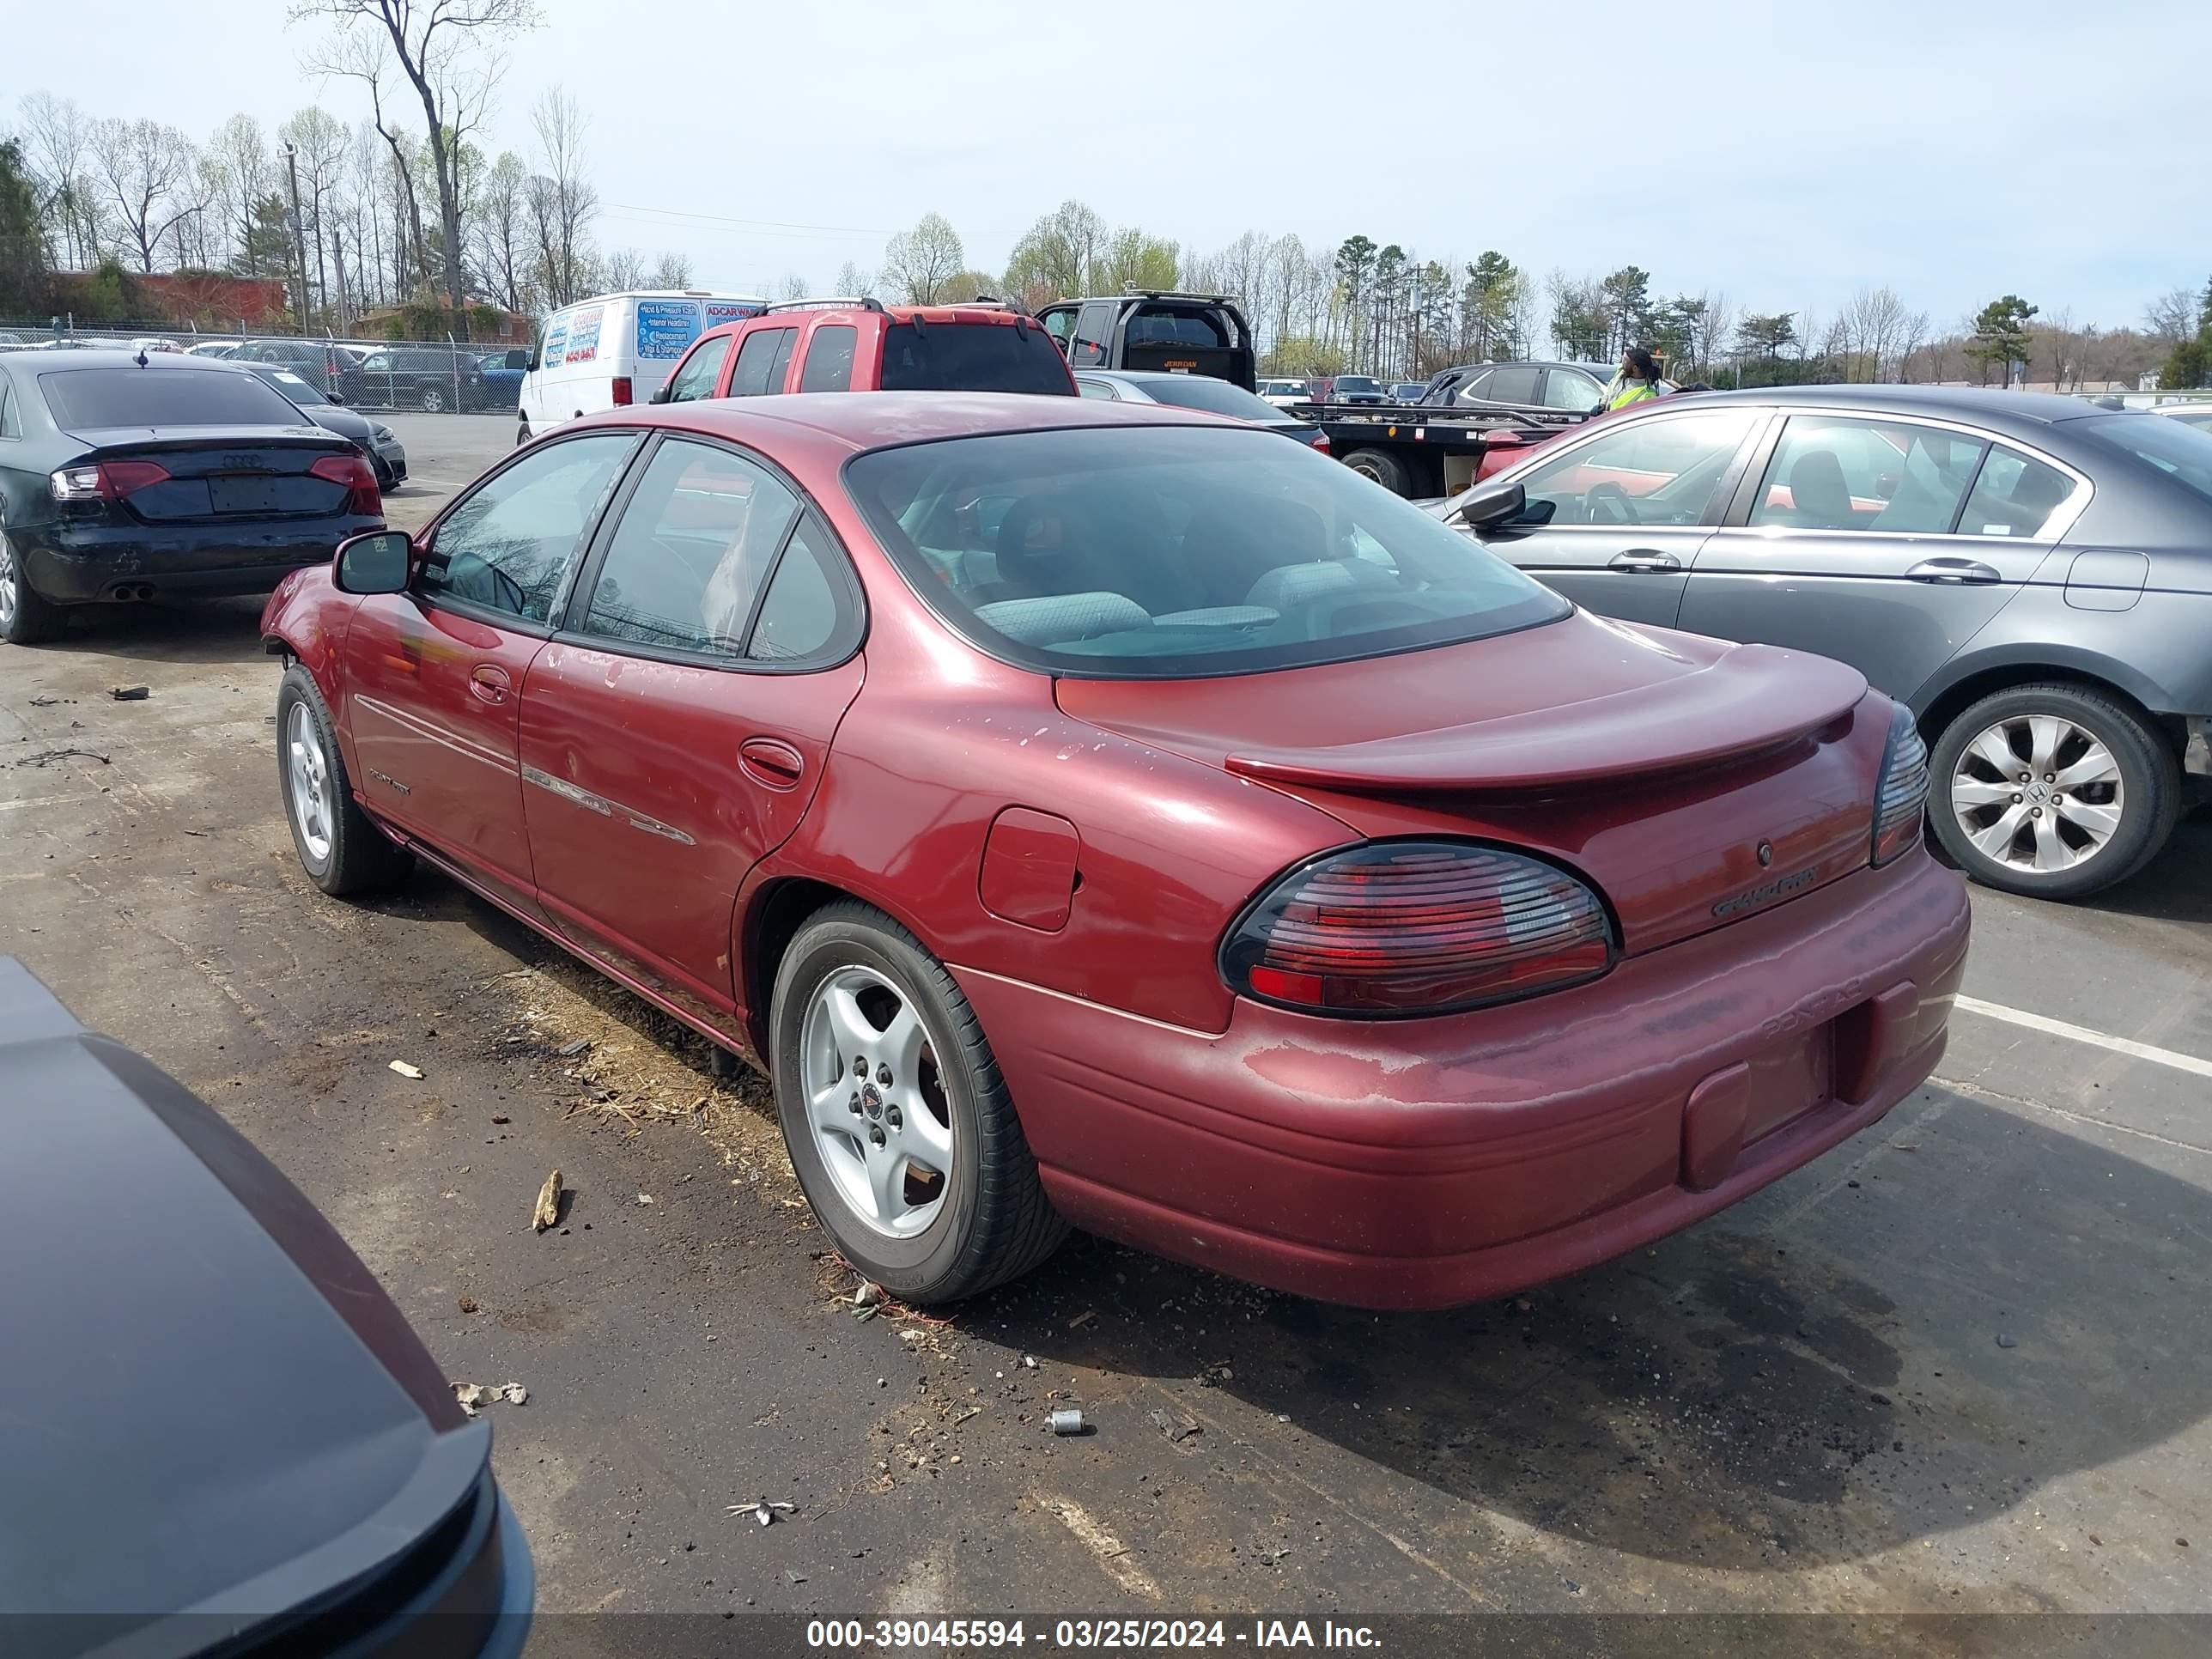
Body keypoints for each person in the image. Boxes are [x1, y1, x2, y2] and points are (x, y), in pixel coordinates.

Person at [1601, 347, 1664, 412]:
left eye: (1625, 361)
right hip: (1605, 418)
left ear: (1635, 368)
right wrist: (1602, 404)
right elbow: (1610, 390)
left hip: (1616, 421)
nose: (1622, 363)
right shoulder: (1621, 374)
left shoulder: (1646, 395)